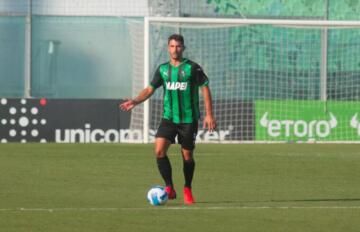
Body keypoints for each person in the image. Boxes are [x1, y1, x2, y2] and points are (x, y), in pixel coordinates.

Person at [120, 34, 216, 205]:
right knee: (159, 151)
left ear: (183, 48)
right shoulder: (163, 69)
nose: (175, 49)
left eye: (178, 46)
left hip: (188, 119)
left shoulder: (193, 68)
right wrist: (135, 101)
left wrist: (209, 114)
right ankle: (169, 186)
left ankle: (187, 187)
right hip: (169, 118)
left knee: (187, 157)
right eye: (172, 46)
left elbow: (205, 88)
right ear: (168, 48)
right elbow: (150, 89)